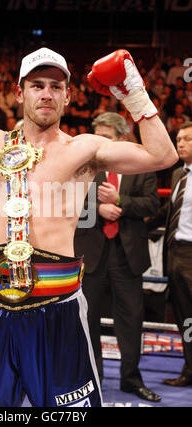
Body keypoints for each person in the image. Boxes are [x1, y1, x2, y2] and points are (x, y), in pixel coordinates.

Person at [0, 43, 178, 407]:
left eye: (55, 86)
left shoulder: (84, 149)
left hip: (57, 304)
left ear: (67, 96)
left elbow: (163, 155)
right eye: (37, 85)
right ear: (19, 92)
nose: (46, 94)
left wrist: (134, 95)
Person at [74, 112, 161, 402]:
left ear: (122, 138)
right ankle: (92, 377)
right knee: (88, 319)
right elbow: (69, 200)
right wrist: (97, 209)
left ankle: (131, 379)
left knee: (132, 321)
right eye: (97, 137)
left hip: (128, 256)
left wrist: (120, 202)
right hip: (92, 254)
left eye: (106, 138)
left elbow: (152, 203)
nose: (99, 144)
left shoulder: (141, 164)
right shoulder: (85, 165)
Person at [146, 121, 192, 387]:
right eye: (179, 139)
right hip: (175, 252)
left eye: (187, 139)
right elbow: (168, 211)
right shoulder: (178, 175)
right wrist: (140, 226)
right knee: (184, 316)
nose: (181, 143)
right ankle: (189, 370)